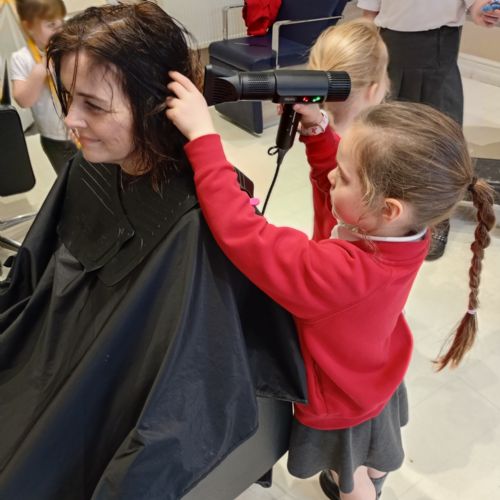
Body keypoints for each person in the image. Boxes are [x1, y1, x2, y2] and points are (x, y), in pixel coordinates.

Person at [0, 3, 306, 498]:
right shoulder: (88, 166)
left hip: (99, 405)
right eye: (69, 99)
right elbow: (33, 280)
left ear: (155, 104)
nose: (71, 120)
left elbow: (186, 392)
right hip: (50, 361)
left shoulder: (194, 223)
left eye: (94, 105)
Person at [165, 72, 496, 499]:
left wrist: (203, 139)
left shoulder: (340, 274)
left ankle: (362, 488)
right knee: (374, 447)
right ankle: (376, 469)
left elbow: (246, 236)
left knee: (349, 474)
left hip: (339, 398)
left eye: (344, 174)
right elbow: (342, 205)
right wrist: (319, 134)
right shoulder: (409, 234)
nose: (332, 177)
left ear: (388, 209)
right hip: (374, 371)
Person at [357, 0, 500, 260]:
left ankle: (438, 217)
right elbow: (369, 14)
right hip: (390, 51)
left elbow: (477, 5)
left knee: (440, 141)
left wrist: (483, 10)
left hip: (439, 53)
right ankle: (390, 210)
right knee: (389, 137)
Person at [301, 17, 389, 241]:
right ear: (373, 89)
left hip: (321, 242)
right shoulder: (367, 151)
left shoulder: (319, 136)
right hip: (342, 253)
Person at [11, 0, 77, 174]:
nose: (59, 29)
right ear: (29, 26)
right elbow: (23, 100)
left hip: (82, 127)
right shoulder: (22, 58)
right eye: (51, 25)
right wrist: (41, 69)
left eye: (61, 22)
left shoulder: (69, 49)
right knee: (68, 179)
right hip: (55, 140)